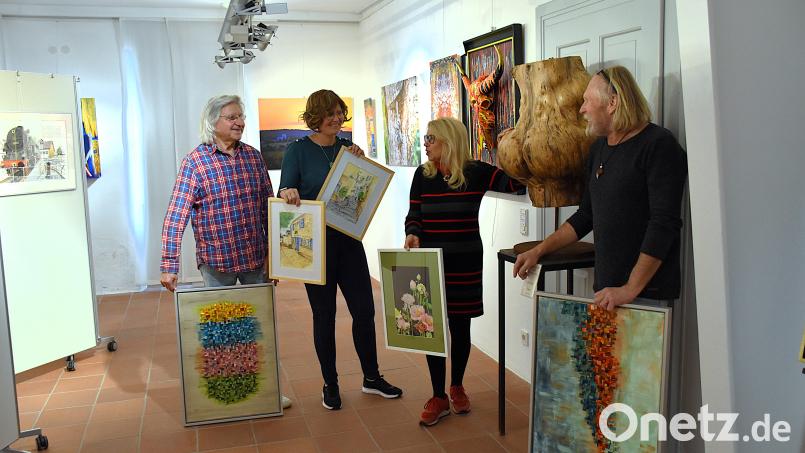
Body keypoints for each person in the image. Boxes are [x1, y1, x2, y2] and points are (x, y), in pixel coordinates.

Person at [512, 66, 687, 433]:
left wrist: (631, 288)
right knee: (609, 396)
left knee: (642, 407)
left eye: (587, 102)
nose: (581, 110)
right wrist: (539, 251)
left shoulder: (659, 146)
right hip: (608, 291)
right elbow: (585, 217)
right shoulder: (598, 150)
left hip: (646, 297)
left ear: (613, 101)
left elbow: (664, 225)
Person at [159, 94, 291, 409]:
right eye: (232, 117)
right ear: (213, 122)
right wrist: (169, 264)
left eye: (240, 116)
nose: (239, 122)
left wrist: (276, 255)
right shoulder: (195, 162)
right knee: (222, 332)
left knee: (259, 330)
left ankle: (266, 391)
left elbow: (266, 209)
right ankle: (228, 395)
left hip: (254, 259)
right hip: (216, 263)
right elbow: (177, 214)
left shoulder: (254, 157)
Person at [278, 89, 403, 410]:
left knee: (364, 311)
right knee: (325, 316)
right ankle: (330, 384)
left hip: (349, 243)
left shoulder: (349, 149)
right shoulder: (297, 151)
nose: (336, 119)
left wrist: (361, 167)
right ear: (315, 117)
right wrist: (288, 192)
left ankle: (371, 378)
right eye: (330, 113)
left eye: (339, 113)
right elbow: (285, 188)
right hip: (314, 247)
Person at [404, 117, 525, 426]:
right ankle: (438, 396)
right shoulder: (422, 174)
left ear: (449, 140)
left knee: (460, 327)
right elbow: (413, 213)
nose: (426, 143)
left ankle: (456, 386)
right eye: (426, 138)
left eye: (431, 138)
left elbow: (517, 185)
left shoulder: (475, 173)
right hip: (430, 262)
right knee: (429, 329)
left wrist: (517, 146)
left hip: (464, 262)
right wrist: (413, 232)